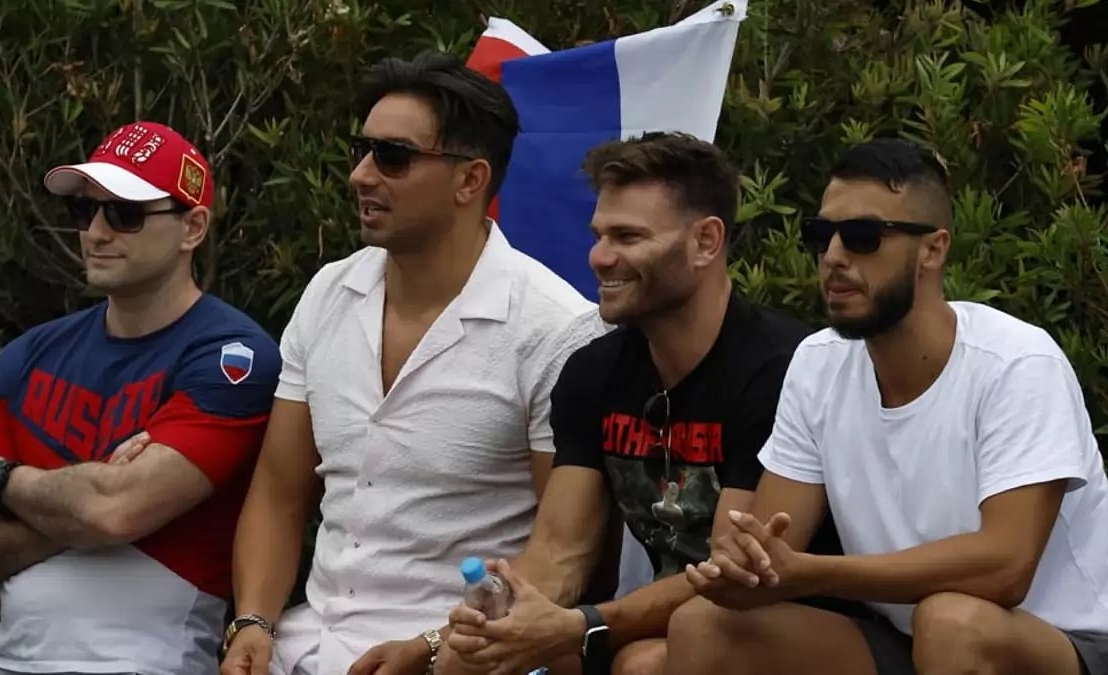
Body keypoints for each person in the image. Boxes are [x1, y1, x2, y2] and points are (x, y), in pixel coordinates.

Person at [219, 51, 605, 675]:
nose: (362, 176)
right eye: (362, 151)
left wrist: (436, 649)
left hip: (467, 656)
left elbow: (562, 554)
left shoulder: (553, 328)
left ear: (470, 180)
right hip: (304, 644)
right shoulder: (327, 292)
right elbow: (279, 493)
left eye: (393, 157)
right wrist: (253, 622)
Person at [670, 137, 1108, 675]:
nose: (833, 256)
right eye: (821, 234)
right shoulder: (817, 362)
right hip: (905, 637)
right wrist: (745, 568)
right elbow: (774, 540)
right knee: (703, 625)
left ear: (934, 249)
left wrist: (815, 573)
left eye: (863, 236)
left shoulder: (1016, 363)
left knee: (952, 624)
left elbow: (1006, 568)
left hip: (1054, 641)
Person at [445, 131, 857, 675]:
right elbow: (560, 552)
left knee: (645, 665)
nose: (600, 257)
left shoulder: (778, 368)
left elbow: (729, 572)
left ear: (706, 241)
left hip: (778, 624)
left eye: (628, 236)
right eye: (599, 235)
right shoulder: (593, 371)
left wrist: (580, 624)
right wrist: (498, 620)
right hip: (658, 619)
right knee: (470, 661)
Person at [0, 121, 282, 675]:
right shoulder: (28, 355)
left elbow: (114, 512)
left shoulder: (233, 357)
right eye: (84, 212)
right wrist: (82, 502)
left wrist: (0, 480)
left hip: (144, 662)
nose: (94, 232)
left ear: (192, 226)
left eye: (124, 214)